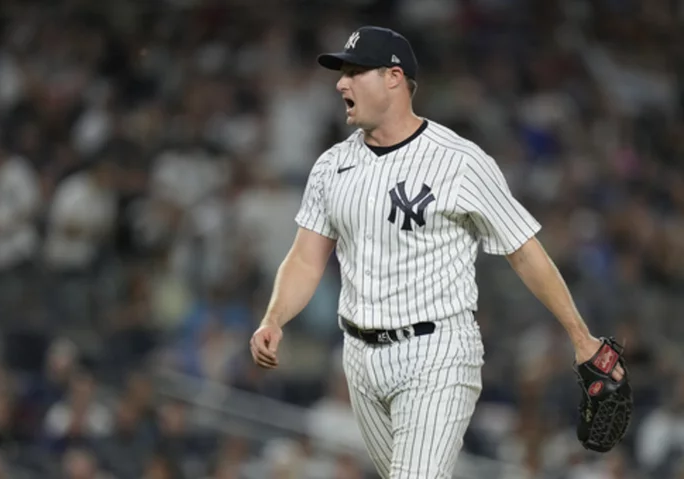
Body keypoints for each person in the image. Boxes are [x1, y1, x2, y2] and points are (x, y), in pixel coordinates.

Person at [249, 25, 625, 478]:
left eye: (354, 71)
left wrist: (581, 337)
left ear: (393, 77)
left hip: (437, 352)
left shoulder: (459, 161)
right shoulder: (332, 165)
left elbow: (524, 251)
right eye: (341, 72)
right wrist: (274, 318)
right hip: (359, 358)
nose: (340, 83)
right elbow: (307, 258)